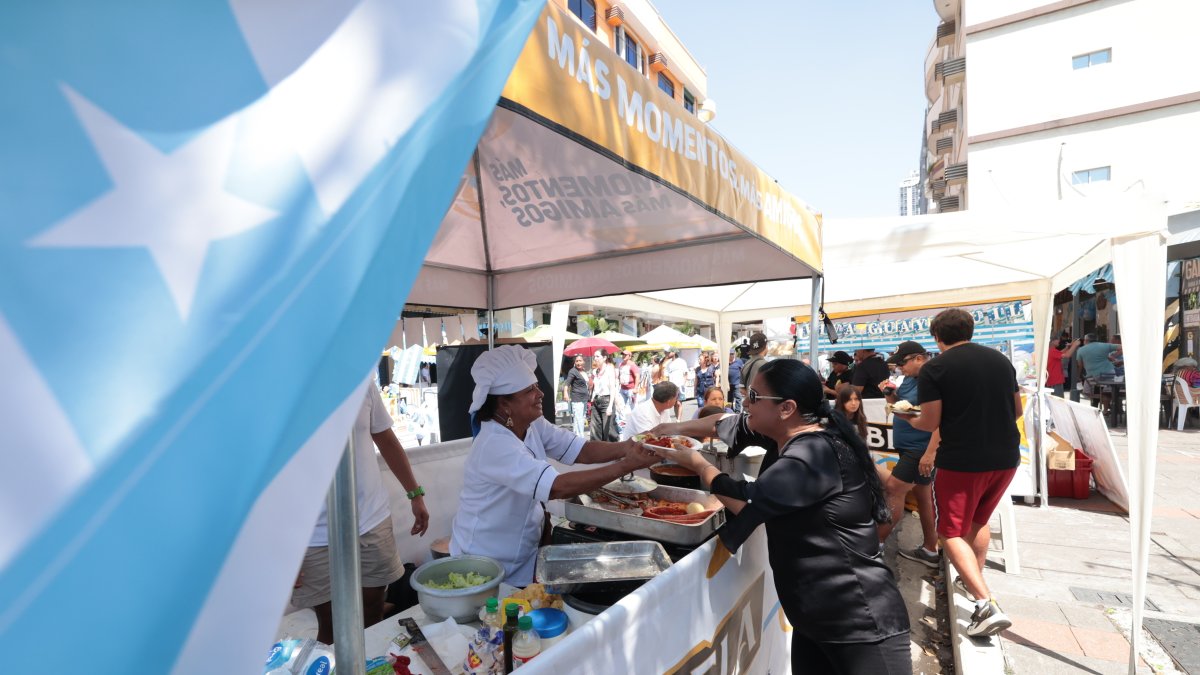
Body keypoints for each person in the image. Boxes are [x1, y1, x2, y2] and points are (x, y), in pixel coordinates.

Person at [649, 360, 909, 673]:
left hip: (859, 621)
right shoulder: (793, 437)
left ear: (786, 408)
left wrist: (698, 464)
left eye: (754, 397)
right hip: (814, 618)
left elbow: (746, 497)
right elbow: (725, 429)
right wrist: (671, 430)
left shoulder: (811, 455)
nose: (745, 404)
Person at [452, 346, 658, 584]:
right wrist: (625, 465)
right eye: (530, 390)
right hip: (485, 562)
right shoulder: (494, 443)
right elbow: (556, 487)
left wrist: (628, 447)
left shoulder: (531, 423)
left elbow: (580, 448)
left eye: (536, 386)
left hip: (523, 553)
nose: (540, 394)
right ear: (504, 404)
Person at [909, 309, 1020, 638]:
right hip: (1006, 456)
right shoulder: (1000, 361)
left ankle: (986, 605)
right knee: (979, 520)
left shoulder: (935, 368)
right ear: (969, 330)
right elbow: (1016, 410)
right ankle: (973, 583)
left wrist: (906, 418)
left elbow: (929, 422)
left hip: (962, 460)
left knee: (950, 532)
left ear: (937, 337)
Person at [292, 383, 430, 645]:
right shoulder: (285, 388)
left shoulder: (362, 381)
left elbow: (386, 438)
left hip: (370, 519)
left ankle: (371, 663)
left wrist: (415, 494)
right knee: (331, 623)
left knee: (373, 611)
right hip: (312, 533)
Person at [877, 341, 940, 566]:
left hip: (919, 448)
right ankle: (931, 549)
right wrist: (889, 395)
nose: (899, 368)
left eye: (902, 363)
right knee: (923, 496)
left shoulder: (932, 380)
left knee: (894, 488)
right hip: (910, 446)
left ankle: (874, 545)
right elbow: (901, 406)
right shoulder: (911, 379)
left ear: (918, 358)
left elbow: (942, 418)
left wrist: (930, 452)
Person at [589, 350, 619, 441]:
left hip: (606, 400)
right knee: (595, 430)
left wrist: (610, 406)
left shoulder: (609, 369)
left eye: (598, 356)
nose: (595, 358)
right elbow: (594, 388)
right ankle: (598, 448)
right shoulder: (595, 371)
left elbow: (612, 388)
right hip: (596, 400)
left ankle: (612, 449)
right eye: (594, 356)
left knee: (609, 430)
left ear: (604, 358)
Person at [562, 355, 591, 438]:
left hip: (584, 399)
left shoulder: (584, 372)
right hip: (577, 399)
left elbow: (588, 385)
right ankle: (581, 438)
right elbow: (567, 383)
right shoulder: (573, 371)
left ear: (583, 362)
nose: (578, 363)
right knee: (579, 419)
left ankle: (576, 438)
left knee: (581, 418)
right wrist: (565, 393)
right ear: (574, 362)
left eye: (580, 361)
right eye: (577, 361)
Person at [739, 333, 768, 399]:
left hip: (749, 403)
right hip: (761, 404)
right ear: (765, 346)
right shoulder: (766, 365)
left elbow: (741, 389)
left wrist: (750, 396)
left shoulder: (746, 364)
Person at [664, 349, 689, 419]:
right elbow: (666, 376)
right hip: (672, 386)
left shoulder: (681, 361)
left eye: (668, 352)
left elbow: (686, 373)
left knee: (679, 403)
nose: (666, 354)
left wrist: (683, 383)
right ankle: (677, 418)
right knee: (674, 404)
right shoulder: (668, 363)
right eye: (665, 353)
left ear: (674, 352)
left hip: (680, 385)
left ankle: (679, 420)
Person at [727, 346, 745, 411]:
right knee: (729, 399)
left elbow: (742, 371)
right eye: (730, 354)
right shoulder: (726, 362)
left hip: (737, 383)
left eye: (732, 354)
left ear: (734, 354)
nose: (731, 355)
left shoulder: (739, 361)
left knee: (738, 398)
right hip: (728, 384)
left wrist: (742, 383)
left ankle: (737, 412)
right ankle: (730, 411)